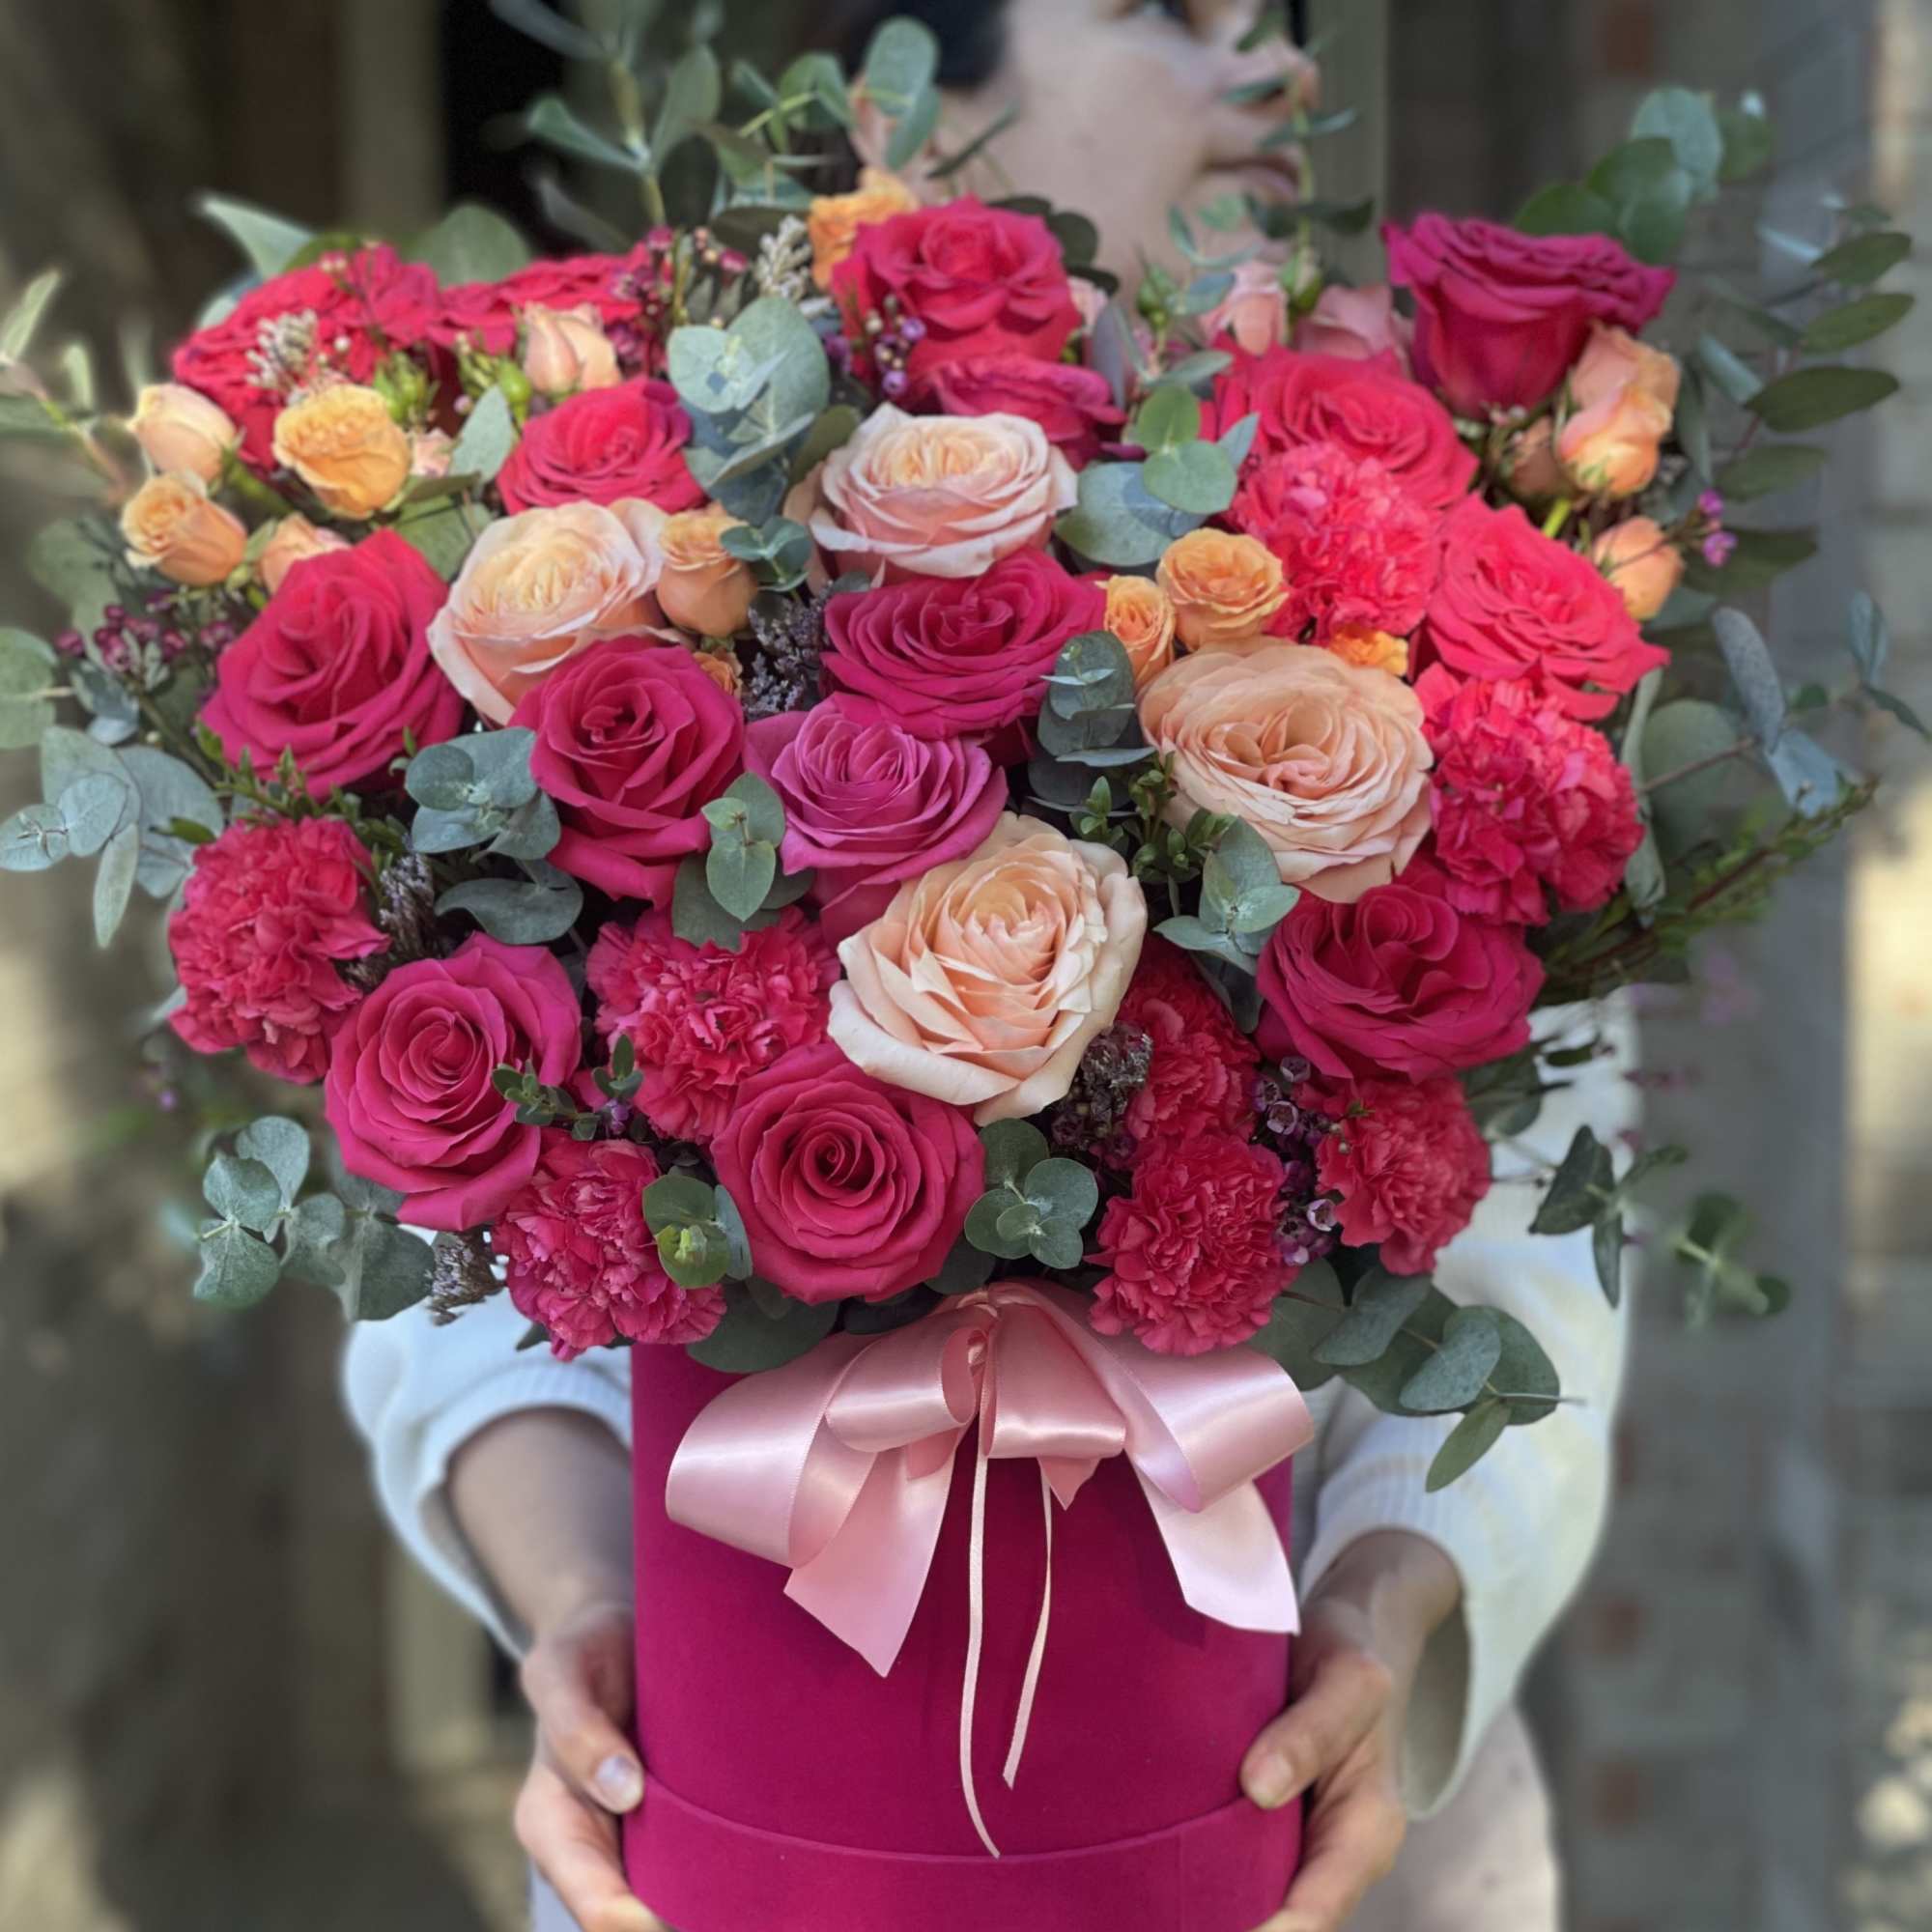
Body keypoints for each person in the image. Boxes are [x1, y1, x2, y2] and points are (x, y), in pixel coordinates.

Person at [348, 6, 1635, 1928]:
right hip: (737, 1818)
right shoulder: (658, 565)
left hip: (1305, 1838)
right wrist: (581, 1618)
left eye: (1274, 22)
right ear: (911, 96)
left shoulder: (1410, 617)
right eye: (1162, 17)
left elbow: (1539, 1241)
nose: (1269, 73)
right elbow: (453, 1271)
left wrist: (1383, 1616)